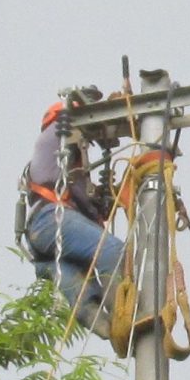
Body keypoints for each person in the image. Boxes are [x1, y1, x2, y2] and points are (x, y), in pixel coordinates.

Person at [19, 101, 124, 326]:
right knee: (113, 251)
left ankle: (107, 327)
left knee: (81, 288)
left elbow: (82, 198)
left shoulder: (53, 162)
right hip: (52, 220)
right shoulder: (54, 135)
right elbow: (81, 196)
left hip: (41, 238)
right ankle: (125, 314)